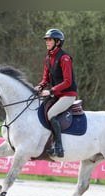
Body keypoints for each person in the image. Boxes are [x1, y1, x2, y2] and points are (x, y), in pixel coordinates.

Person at [34, 28, 78, 158]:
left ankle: (59, 147)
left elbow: (68, 81)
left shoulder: (64, 58)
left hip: (68, 95)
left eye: (49, 40)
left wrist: (51, 91)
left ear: (57, 42)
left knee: (51, 113)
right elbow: (46, 78)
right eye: (46, 40)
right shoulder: (48, 58)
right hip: (56, 95)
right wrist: (41, 86)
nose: (47, 42)